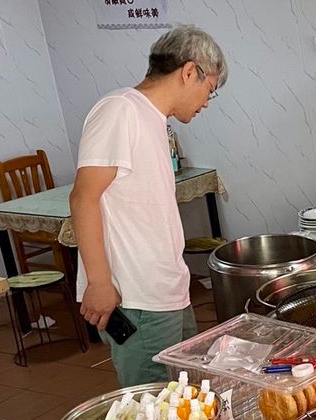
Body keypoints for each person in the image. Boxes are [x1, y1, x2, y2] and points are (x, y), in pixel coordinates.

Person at [70, 25, 227, 386]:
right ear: (189, 72)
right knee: (152, 404)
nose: (206, 102)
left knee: (183, 398)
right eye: (210, 90)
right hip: (137, 298)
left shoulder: (153, 119)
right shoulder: (119, 110)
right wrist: (98, 282)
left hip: (167, 290)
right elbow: (83, 198)